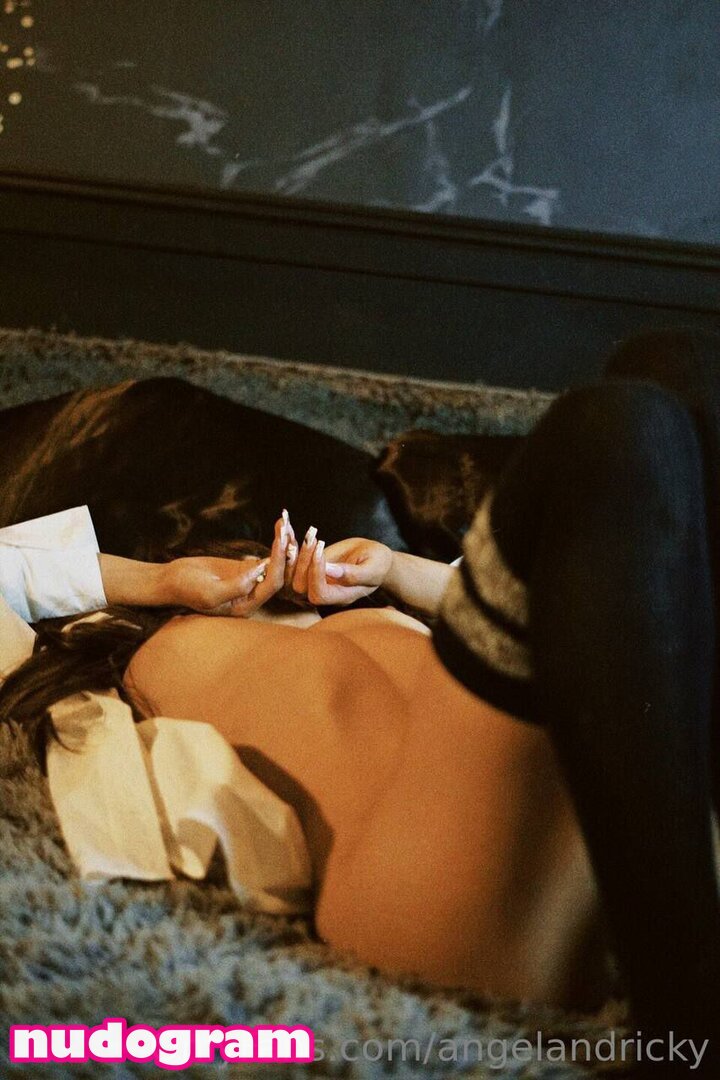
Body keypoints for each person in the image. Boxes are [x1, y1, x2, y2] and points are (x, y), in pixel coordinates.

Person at [1, 328, 719, 1076]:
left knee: (668, 372)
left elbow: (589, 613)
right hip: (441, 889)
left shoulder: (369, 616)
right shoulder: (115, 657)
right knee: (610, 430)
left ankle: (689, 977)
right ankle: (689, 1017)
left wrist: (395, 569)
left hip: (607, 823)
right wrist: (157, 581)